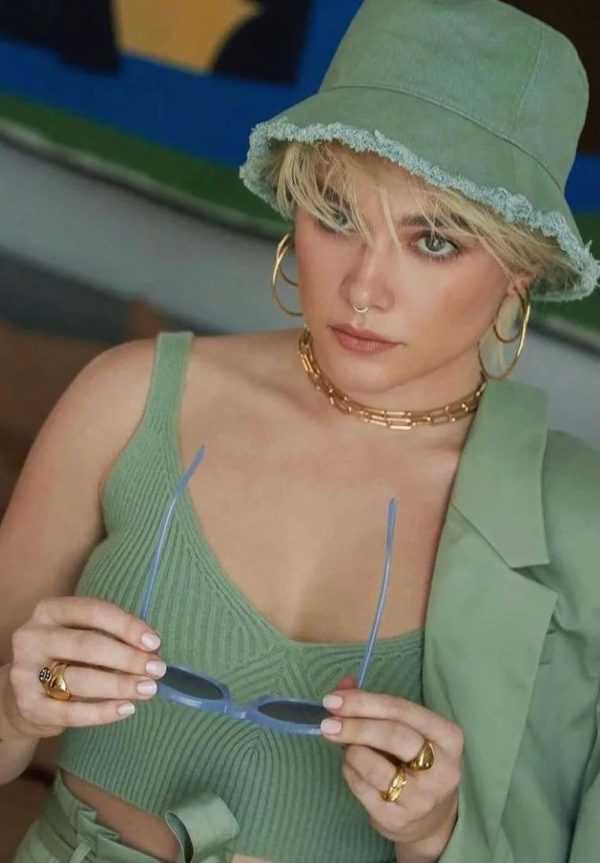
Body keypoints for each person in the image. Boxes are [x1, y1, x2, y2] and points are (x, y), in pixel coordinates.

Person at [2, 1, 599, 861]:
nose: (365, 288)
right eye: (338, 214)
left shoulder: (575, 525)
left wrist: (434, 833)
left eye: (434, 241)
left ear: (522, 270)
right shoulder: (128, 397)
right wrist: (15, 709)